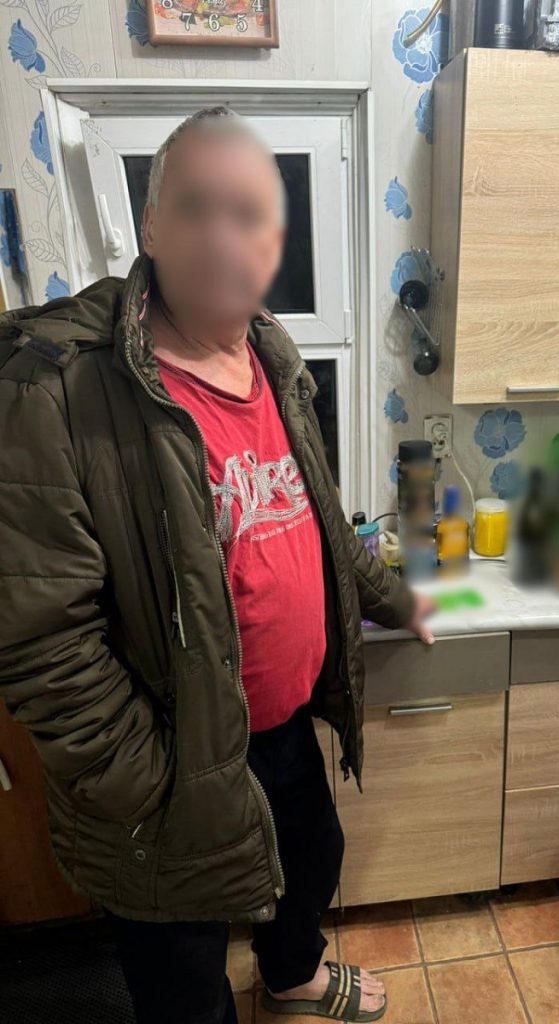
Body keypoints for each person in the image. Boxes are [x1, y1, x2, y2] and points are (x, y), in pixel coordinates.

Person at [0, 106, 434, 1024]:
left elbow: (315, 523)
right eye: (197, 207)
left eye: (251, 215)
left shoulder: (271, 355)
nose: (225, 238)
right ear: (151, 225)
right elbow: (41, 642)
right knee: (183, 975)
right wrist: (153, 780)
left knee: (308, 865)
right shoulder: (59, 391)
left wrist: (399, 602)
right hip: (167, 759)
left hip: (283, 725)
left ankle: (293, 978)